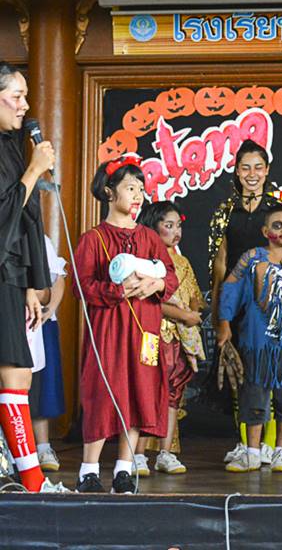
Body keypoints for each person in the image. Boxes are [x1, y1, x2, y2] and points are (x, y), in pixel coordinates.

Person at [72, 155, 178, 493]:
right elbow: (81, 285)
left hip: (145, 329)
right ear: (109, 191)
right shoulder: (94, 238)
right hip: (109, 330)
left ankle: (124, 468)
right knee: (103, 390)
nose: (138, 195)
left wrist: (156, 284)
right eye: (130, 188)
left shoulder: (149, 238)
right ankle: (89, 470)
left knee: (138, 391)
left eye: (141, 189)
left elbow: (170, 276)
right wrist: (118, 290)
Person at [0, 61, 69, 493]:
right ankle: (32, 480)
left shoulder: (10, 145)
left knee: (19, 375)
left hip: (10, 276)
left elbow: (26, 219)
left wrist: (30, 283)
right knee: (15, 374)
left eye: (26, 95)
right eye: (16, 96)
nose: (25, 105)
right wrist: (33, 170)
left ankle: (29, 478)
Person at [216, 202, 282, 473]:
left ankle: (281, 451)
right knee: (254, 394)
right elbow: (230, 289)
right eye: (277, 224)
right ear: (265, 231)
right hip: (257, 343)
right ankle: (251, 452)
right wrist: (224, 323)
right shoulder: (251, 258)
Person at [209, 140, 282, 466]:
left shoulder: (278, 210)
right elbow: (219, 264)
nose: (252, 174)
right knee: (239, 373)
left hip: (271, 302)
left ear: (267, 171)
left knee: (269, 373)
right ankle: (244, 443)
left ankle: (268, 445)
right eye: (245, 168)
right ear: (237, 172)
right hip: (235, 303)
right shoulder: (225, 212)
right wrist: (218, 313)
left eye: (258, 167)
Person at [133, 201, 205, 477]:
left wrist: (193, 311)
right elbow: (148, 300)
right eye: (169, 225)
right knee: (147, 392)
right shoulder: (145, 261)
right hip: (152, 335)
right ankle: (138, 454)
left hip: (178, 339)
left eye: (179, 226)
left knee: (174, 394)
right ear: (153, 227)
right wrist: (182, 314)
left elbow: (194, 295)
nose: (176, 232)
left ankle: (166, 453)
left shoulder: (183, 262)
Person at [30, 234, 68, 472]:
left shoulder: (38, 238)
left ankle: (43, 447)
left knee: (42, 384)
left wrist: (49, 309)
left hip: (38, 321)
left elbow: (57, 277)